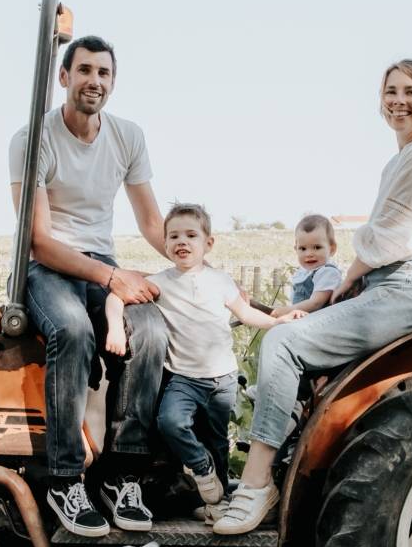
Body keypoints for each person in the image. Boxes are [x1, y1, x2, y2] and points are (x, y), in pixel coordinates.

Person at [212, 60, 412, 535]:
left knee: (283, 344)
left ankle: (255, 483)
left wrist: (348, 277)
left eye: (411, 91)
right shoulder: (406, 157)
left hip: (408, 285)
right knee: (295, 337)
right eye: (390, 91)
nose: (399, 100)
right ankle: (282, 466)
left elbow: (385, 238)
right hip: (397, 281)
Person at [8, 34, 169, 538]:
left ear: (112, 83)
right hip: (48, 268)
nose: (94, 81)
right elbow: (38, 240)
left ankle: (122, 475)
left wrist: (199, 266)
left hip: (102, 265)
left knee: (150, 332)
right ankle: (64, 477)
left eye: (103, 73)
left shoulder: (127, 137)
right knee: (73, 330)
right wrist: (111, 276)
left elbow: (150, 221)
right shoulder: (33, 138)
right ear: (63, 77)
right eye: (84, 71)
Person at [105, 202, 301, 520]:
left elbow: (246, 313)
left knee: (217, 440)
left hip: (221, 378)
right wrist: (115, 327)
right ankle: (199, 465)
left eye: (191, 235)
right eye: (174, 236)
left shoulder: (221, 281)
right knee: (170, 422)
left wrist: (279, 321)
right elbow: (116, 296)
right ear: (165, 243)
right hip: (183, 377)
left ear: (208, 243)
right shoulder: (160, 282)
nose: (182, 242)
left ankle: (216, 503)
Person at [270, 213, 341, 318]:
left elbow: (316, 303)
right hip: (305, 321)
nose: (309, 254)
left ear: (332, 249)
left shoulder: (328, 273)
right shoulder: (302, 272)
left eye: (317, 247)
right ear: (296, 249)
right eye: (303, 248)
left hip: (321, 323)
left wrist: (287, 311)